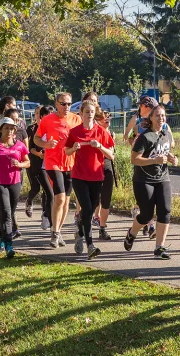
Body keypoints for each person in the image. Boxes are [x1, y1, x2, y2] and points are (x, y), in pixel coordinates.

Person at [122, 106, 178, 260]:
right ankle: (132, 233)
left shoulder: (166, 134)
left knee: (165, 212)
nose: (161, 118)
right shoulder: (144, 137)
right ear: (151, 118)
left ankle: (159, 247)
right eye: (158, 115)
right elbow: (134, 159)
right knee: (146, 215)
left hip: (163, 177)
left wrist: (172, 158)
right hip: (143, 180)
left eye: (163, 115)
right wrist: (154, 160)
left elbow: (164, 151)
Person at [65, 100, 115, 259]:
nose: (89, 114)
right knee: (86, 209)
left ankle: (79, 233)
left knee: (90, 210)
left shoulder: (101, 131)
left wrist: (99, 146)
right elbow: (66, 151)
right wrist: (74, 148)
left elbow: (111, 155)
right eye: (86, 112)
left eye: (92, 112)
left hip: (96, 176)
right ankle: (90, 246)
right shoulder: (74, 132)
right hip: (79, 176)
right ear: (81, 113)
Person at [34, 92, 82, 247]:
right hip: (53, 162)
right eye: (63, 104)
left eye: (69, 104)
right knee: (60, 197)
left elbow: (83, 136)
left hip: (71, 163)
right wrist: (45, 144)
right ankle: (54, 233)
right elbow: (36, 138)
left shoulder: (76, 119)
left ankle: (58, 230)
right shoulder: (47, 120)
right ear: (56, 104)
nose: (66, 107)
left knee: (66, 200)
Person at [0, 117, 31, 259]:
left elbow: (28, 162)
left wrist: (19, 164)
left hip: (15, 183)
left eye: (12, 128)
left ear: (15, 131)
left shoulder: (20, 145)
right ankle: (9, 245)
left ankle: (0, 237)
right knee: (6, 213)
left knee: (9, 214)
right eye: (6, 128)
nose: (9, 131)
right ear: (0, 129)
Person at [122, 95, 170, 238]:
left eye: (141, 105)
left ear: (147, 107)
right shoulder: (137, 122)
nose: (139, 108)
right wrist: (135, 143)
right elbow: (128, 136)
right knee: (147, 204)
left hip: (159, 168)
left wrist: (167, 153)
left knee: (161, 206)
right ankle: (147, 222)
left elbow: (170, 142)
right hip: (142, 165)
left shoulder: (164, 126)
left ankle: (150, 226)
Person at [26, 106, 54, 230]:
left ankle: (46, 214)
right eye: (37, 113)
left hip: (51, 164)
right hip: (36, 163)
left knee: (48, 192)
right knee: (36, 188)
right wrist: (39, 154)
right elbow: (29, 148)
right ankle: (30, 201)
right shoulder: (32, 129)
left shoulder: (54, 128)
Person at [92, 110, 116, 240]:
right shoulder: (93, 132)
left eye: (109, 117)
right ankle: (83, 226)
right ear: (97, 120)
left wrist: (101, 147)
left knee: (106, 201)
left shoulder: (111, 133)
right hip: (93, 168)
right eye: (104, 117)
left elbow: (111, 155)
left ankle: (102, 229)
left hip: (107, 168)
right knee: (93, 200)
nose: (107, 119)